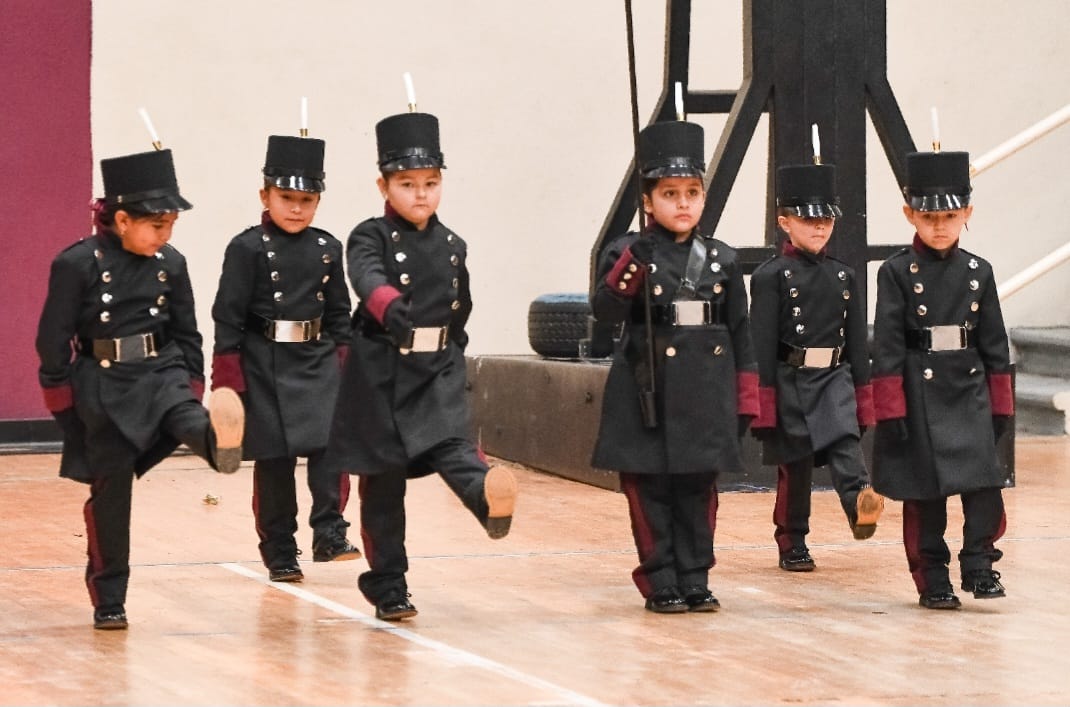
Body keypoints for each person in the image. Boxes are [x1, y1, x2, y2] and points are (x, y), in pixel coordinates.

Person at [35, 148, 245, 630]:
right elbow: (51, 342)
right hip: (103, 384)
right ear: (123, 219)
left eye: (172, 224)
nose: (165, 236)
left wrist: (193, 383)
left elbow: (188, 333)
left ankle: (219, 442)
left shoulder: (171, 263)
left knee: (185, 415)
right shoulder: (77, 263)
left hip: (162, 369)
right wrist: (65, 407)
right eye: (157, 226)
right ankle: (110, 598)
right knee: (111, 495)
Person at [323, 110, 518, 621]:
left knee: (453, 444)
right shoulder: (369, 236)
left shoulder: (453, 245)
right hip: (382, 372)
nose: (421, 194)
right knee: (383, 486)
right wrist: (388, 302)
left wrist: (453, 354)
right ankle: (388, 585)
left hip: (436, 366)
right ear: (383, 184)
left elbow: (462, 306)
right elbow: (363, 276)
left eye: (430, 183)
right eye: (407, 184)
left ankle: (488, 501)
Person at [590, 119, 759, 614]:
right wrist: (633, 267)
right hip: (648, 389)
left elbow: (741, 332)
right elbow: (605, 312)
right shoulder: (626, 251)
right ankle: (660, 577)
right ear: (648, 200)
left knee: (698, 490)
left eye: (692, 192)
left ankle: (695, 576)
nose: (682, 203)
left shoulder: (723, 259)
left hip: (706, 391)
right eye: (669, 193)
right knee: (650, 491)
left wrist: (746, 398)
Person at [210, 134, 360, 583]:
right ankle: (279, 549)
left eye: (307, 199)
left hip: (316, 360)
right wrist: (227, 379)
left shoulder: (327, 247)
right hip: (263, 361)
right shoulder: (247, 247)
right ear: (265, 195)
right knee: (275, 461)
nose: (296, 208)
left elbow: (339, 313)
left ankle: (330, 532)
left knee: (331, 449)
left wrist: (349, 369)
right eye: (286, 197)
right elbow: (227, 315)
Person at [871, 149, 1014, 610]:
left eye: (950, 215)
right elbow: (888, 347)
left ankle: (979, 564)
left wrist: (1001, 407)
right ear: (909, 213)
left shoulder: (979, 272)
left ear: (967, 213)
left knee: (984, 488)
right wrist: (891, 410)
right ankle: (931, 577)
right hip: (919, 389)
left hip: (967, 388)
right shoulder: (895, 272)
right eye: (928, 215)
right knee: (925, 495)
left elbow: (995, 345)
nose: (938, 225)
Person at [748, 161, 884, 572]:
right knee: (796, 465)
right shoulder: (770, 276)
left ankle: (860, 502)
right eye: (808, 220)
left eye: (825, 219)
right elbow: (761, 343)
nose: (819, 227)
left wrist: (864, 396)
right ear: (784, 222)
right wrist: (763, 403)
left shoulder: (844, 276)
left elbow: (858, 343)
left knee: (845, 442)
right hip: (790, 376)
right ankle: (792, 540)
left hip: (834, 375)